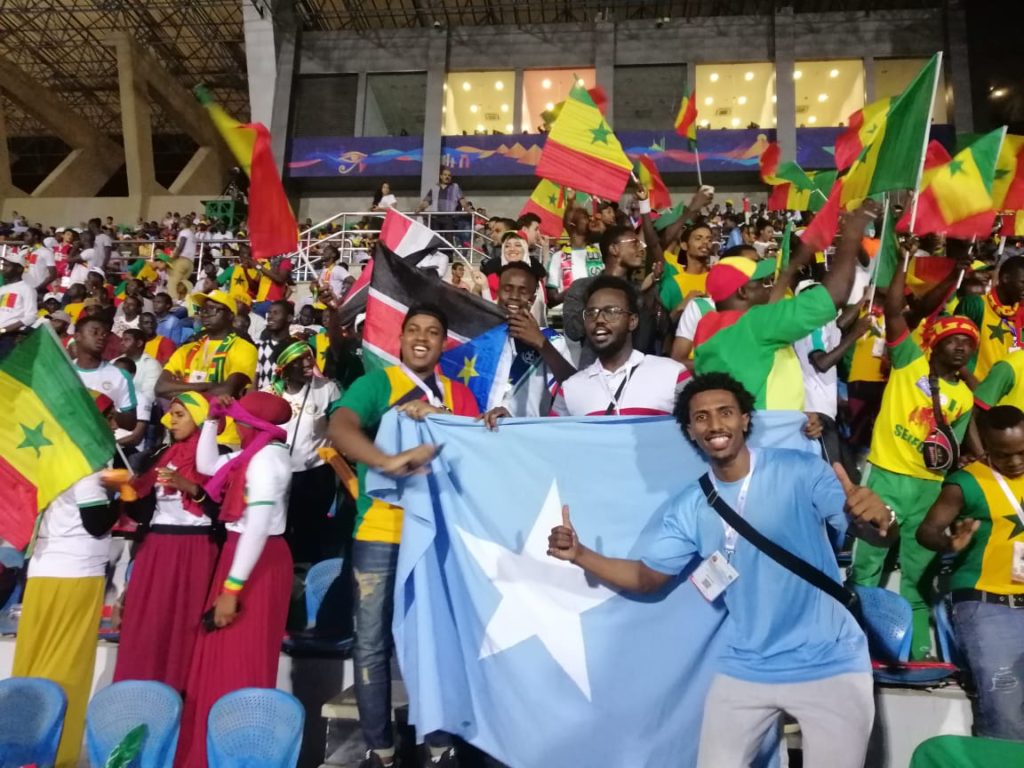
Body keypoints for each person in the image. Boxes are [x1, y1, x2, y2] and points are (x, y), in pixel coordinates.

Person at [547, 372, 898, 768]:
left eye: (726, 413)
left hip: (830, 662)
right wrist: (580, 554)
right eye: (701, 418)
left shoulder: (800, 470)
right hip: (746, 667)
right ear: (690, 431)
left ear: (745, 419)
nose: (715, 425)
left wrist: (881, 520)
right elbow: (648, 579)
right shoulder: (689, 506)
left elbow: (871, 532)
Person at [327, 304, 480, 768]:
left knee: (436, 636)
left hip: (439, 533)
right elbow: (340, 426)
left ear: (442, 343)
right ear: (399, 338)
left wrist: (488, 422)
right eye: (413, 329)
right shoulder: (378, 384)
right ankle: (381, 747)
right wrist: (386, 460)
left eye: (433, 332)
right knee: (371, 641)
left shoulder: (459, 394)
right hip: (380, 530)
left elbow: (478, 454)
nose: (422, 338)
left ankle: (439, 743)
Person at [851, 252, 978, 660]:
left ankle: (919, 652)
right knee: (866, 567)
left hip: (928, 490)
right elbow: (893, 309)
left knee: (918, 577)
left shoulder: (964, 396)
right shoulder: (908, 363)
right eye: (954, 340)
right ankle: (856, 645)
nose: (961, 348)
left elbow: (953, 450)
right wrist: (905, 259)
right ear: (937, 343)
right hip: (886, 477)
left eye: (968, 344)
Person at [175, 392, 295, 768]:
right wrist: (211, 419)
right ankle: (208, 755)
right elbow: (208, 464)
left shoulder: (268, 462)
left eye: (238, 417)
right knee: (219, 658)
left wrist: (231, 590)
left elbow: (258, 527)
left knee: (240, 661)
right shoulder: (251, 455)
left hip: (255, 563)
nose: (235, 423)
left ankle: (236, 756)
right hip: (240, 556)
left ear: (251, 423)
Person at [13, 399, 119, 768]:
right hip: (75, 573)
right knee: (67, 667)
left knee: (33, 660)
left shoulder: (49, 456)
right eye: (109, 418)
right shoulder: (86, 463)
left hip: (43, 570)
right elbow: (96, 522)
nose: (113, 426)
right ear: (97, 421)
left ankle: (21, 747)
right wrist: (125, 495)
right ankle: (56, 755)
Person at [693, 202, 879, 411]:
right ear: (743, 292)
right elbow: (832, 297)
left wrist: (794, 264)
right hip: (771, 434)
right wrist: (852, 235)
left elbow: (769, 305)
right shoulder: (756, 323)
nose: (768, 287)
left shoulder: (707, 326)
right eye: (761, 283)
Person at [917, 405, 1024, 741]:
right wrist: (950, 543)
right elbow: (927, 531)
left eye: (1023, 452)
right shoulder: (965, 483)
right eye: (1003, 454)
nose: (1016, 462)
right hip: (987, 605)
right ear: (986, 447)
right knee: (1005, 709)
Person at [112, 392, 219, 692]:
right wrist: (126, 488)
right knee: (148, 628)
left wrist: (190, 488)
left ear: (198, 417)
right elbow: (142, 510)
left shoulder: (217, 456)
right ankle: (138, 698)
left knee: (184, 629)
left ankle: (180, 700)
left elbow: (222, 510)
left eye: (180, 414)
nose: (171, 420)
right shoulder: (160, 455)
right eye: (171, 414)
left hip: (195, 550)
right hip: (157, 550)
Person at [551, 275, 687, 417]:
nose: (599, 319)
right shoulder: (570, 390)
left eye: (611, 312)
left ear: (632, 321)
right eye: (591, 313)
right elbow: (554, 437)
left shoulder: (672, 374)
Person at [266, 338, 342, 565]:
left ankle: (308, 579)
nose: (309, 362)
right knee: (280, 531)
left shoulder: (327, 389)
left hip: (315, 476)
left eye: (309, 356)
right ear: (284, 367)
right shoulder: (270, 394)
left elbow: (338, 424)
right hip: (278, 476)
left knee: (310, 535)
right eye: (300, 360)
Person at [477, 263, 575, 424]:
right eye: (507, 289)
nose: (514, 296)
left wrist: (540, 343)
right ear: (498, 292)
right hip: (479, 433)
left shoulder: (551, 339)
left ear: (533, 298)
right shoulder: (480, 338)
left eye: (523, 291)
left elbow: (574, 388)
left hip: (526, 438)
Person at [156, 290, 257, 446]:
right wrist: (209, 386)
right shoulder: (186, 349)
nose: (205, 314)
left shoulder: (243, 348)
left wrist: (181, 388)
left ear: (230, 315)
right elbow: (161, 388)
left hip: (221, 437)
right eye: (203, 309)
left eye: (213, 309)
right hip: (183, 433)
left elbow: (226, 391)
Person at [563, 225, 650, 369]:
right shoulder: (581, 287)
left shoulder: (640, 291)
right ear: (614, 249)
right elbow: (573, 330)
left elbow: (648, 337)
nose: (640, 249)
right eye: (634, 243)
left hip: (634, 375)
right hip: (593, 375)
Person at [955, 255, 1024, 380]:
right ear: (1005, 278)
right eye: (1023, 282)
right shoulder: (975, 304)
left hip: (1002, 392)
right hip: (973, 387)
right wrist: (974, 385)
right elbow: (955, 347)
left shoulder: (1020, 314)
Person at [73, 315, 138, 432]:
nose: (101, 337)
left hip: (99, 444)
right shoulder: (64, 371)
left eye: (104, 335)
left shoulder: (120, 376)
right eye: (95, 332)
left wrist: (106, 409)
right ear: (77, 336)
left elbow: (131, 423)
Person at [256, 300, 295, 391]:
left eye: (275, 313)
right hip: (264, 399)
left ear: (289, 318)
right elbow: (255, 379)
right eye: (269, 313)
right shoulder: (260, 347)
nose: (270, 317)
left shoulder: (295, 347)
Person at [0, 250, 38, 343]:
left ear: (19, 269)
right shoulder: (3, 289)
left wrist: (4, 330)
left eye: (7, 266)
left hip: (10, 336)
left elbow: (31, 316)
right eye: (3, 265)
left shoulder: (27, 289)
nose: (3, 268)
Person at [167, 215, 197, 300]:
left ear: (183, 223)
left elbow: (181, 247)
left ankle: (173, 302)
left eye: (180, 223)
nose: (179, 225)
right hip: (190, 263)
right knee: (182, 285)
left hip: (182, 261)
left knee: (172, 283)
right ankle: (184, 301)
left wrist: (172, 259)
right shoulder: (192, 234)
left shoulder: (184, 232)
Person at [22, 226, 57, 293]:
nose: (24, 238)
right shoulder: (28, 251)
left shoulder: (46, 252)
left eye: (27, 236)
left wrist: (38, 288)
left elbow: (53, 275)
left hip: (37, 289)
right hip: (25, 287)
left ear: (35, 237)